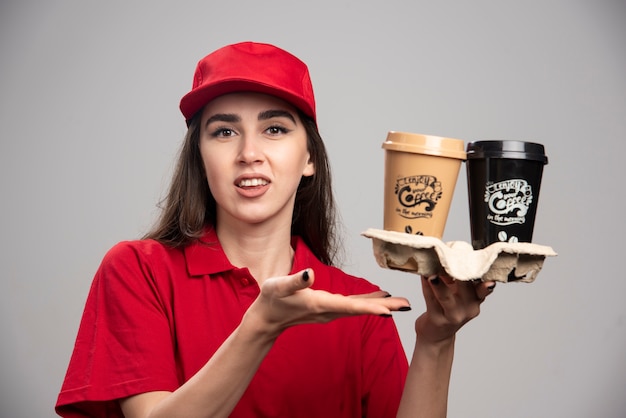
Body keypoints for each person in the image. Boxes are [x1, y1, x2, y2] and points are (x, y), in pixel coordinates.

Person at [55, 41, 495, 418]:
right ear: (199, 157)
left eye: (274, 129)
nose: (249, 152)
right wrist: (261, 326)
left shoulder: (358, 307)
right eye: (224, 131)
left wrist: (436, 339)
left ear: (309, 159)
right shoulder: (138, 270)